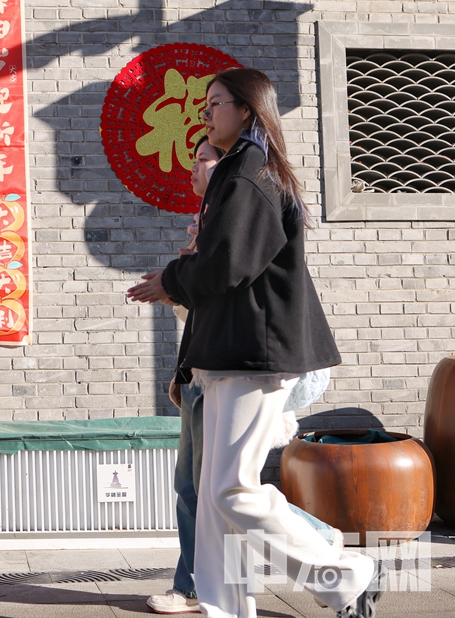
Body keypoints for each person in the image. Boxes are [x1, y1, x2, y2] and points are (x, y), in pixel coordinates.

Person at [128, 68, 383, 618]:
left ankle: (344, 572)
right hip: (226, 355)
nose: (205, 113)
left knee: (230, 492)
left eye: (216, 103)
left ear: (247, 110)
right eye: (205, 104)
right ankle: (225, 608)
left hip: (255, 354)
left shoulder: (249, 173)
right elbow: (222, 269)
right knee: (217, 504)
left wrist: (170, 279)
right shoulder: (238, 175)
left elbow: (228, 265)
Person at [138, 137, 341, 616]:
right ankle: (216, 595)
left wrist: (179, 278)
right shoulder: (209, 226)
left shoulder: (251, 192)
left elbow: (233, 284)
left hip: (244, 370)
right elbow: (208, 306)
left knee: (225, 491)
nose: (195, 170)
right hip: (206, 371)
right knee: (200, 491)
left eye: (205, 159)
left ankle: (322, 547)